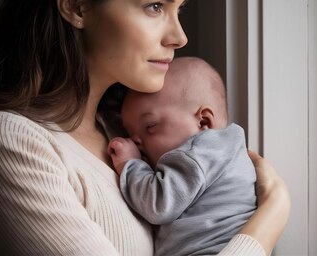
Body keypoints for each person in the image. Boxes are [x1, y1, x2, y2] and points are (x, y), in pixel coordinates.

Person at [0, 0, 290, 255]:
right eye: (155, 7)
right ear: (76, 6)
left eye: (177, 10)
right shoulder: (5, 144)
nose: (179, 37)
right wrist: (269, 218)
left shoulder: (122, 137)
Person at [108, 56, 256, 256]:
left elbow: (158, 205)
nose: (135, 141)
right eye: (130, 133)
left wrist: (130, 163)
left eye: (150, 126)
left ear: (203, 122)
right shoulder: (223, 151)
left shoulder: (198, 154)